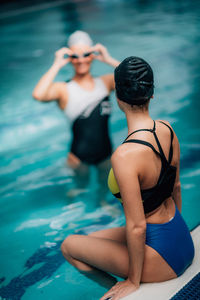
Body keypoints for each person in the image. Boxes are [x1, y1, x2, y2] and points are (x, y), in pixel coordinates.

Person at [61, 56, 195, 299]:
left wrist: (133, 280)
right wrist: (178, 233)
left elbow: (136, 227)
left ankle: (115, 289)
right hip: (181, 237)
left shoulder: (124, 155)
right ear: (151, 95)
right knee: (90, 239)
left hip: (163, 258)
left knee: (69, 246)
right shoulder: (167, 129)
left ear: (118, 98)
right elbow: (176, 187)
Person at [32, 31, 120, 189]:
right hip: (78, 160)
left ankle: (103, 203)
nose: (81, 60)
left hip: (106, 155)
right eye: (75, 56)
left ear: (92, 55)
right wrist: (57, 64)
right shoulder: (64, 89)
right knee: (77, 191)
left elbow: (136, 78)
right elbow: (38, 94)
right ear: (69, 58)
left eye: (86, 54)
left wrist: (108, 59)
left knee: (105, 190)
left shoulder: (106, 82)